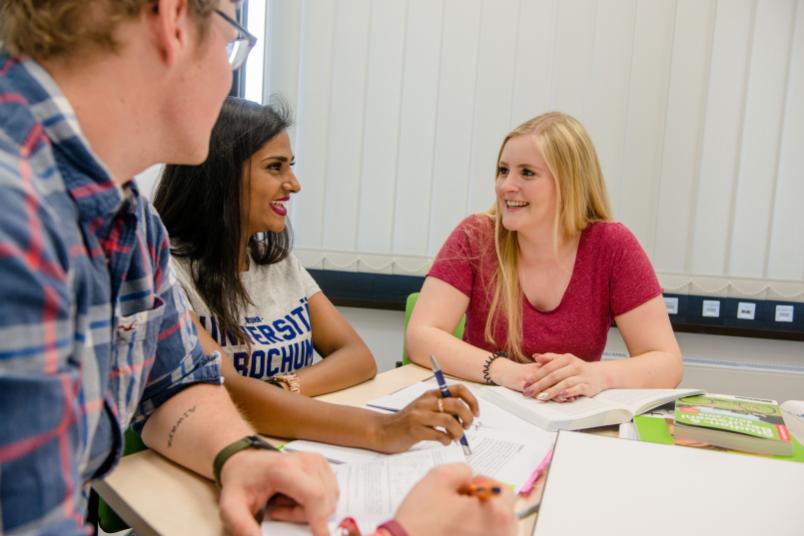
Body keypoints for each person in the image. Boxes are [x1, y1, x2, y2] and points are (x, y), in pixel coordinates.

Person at [0, 1, 515, 535]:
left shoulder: (127, 218)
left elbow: (176, 384)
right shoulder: (19, 215)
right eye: (231, 44)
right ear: (175, 21)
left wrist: (240, 457)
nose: (228, 72)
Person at [153, 96, 480, 454]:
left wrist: (281, 389)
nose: (294, 184)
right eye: (275, 167)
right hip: (228, 453)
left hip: (294, 441)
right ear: (220, 175)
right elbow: (229, 392)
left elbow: (357, 356)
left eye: (290, 166)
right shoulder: (164, 273)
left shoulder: (278, 263)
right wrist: (382, 430)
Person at [406, 112, 683, 402]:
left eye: (527, 173)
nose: (505, 186)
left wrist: (596, 375)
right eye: (503, 170)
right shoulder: (475, 236)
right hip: (485, 411)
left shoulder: (612, 246)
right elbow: (421, 336)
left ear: (568, 183)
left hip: (569, 418)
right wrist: (506, 371)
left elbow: (668, 363)